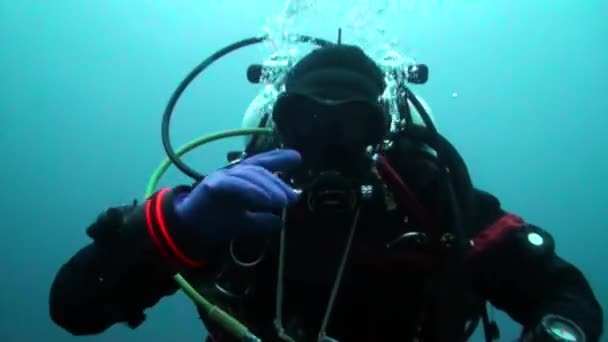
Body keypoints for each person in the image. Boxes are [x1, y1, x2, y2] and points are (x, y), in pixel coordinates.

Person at [49, 43, 603, 342]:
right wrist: (178, 228)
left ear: (383, 133)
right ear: (279, 123)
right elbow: (74, 307)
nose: (329, 143)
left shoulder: (429, 201)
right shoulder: (228, 209)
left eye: (353, 124)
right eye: (307, 121)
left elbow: (562, 291)